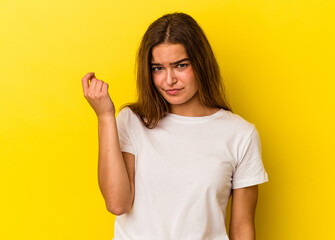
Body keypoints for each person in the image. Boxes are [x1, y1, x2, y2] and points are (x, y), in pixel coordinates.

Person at [81, 12, 268, 240]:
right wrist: (105, 117)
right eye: (158, 68)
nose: (169, 80)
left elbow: (242, 228)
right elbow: (117, 203)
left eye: (180, 65)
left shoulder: (240, 134)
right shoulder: (133, 121)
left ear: (200, 64)